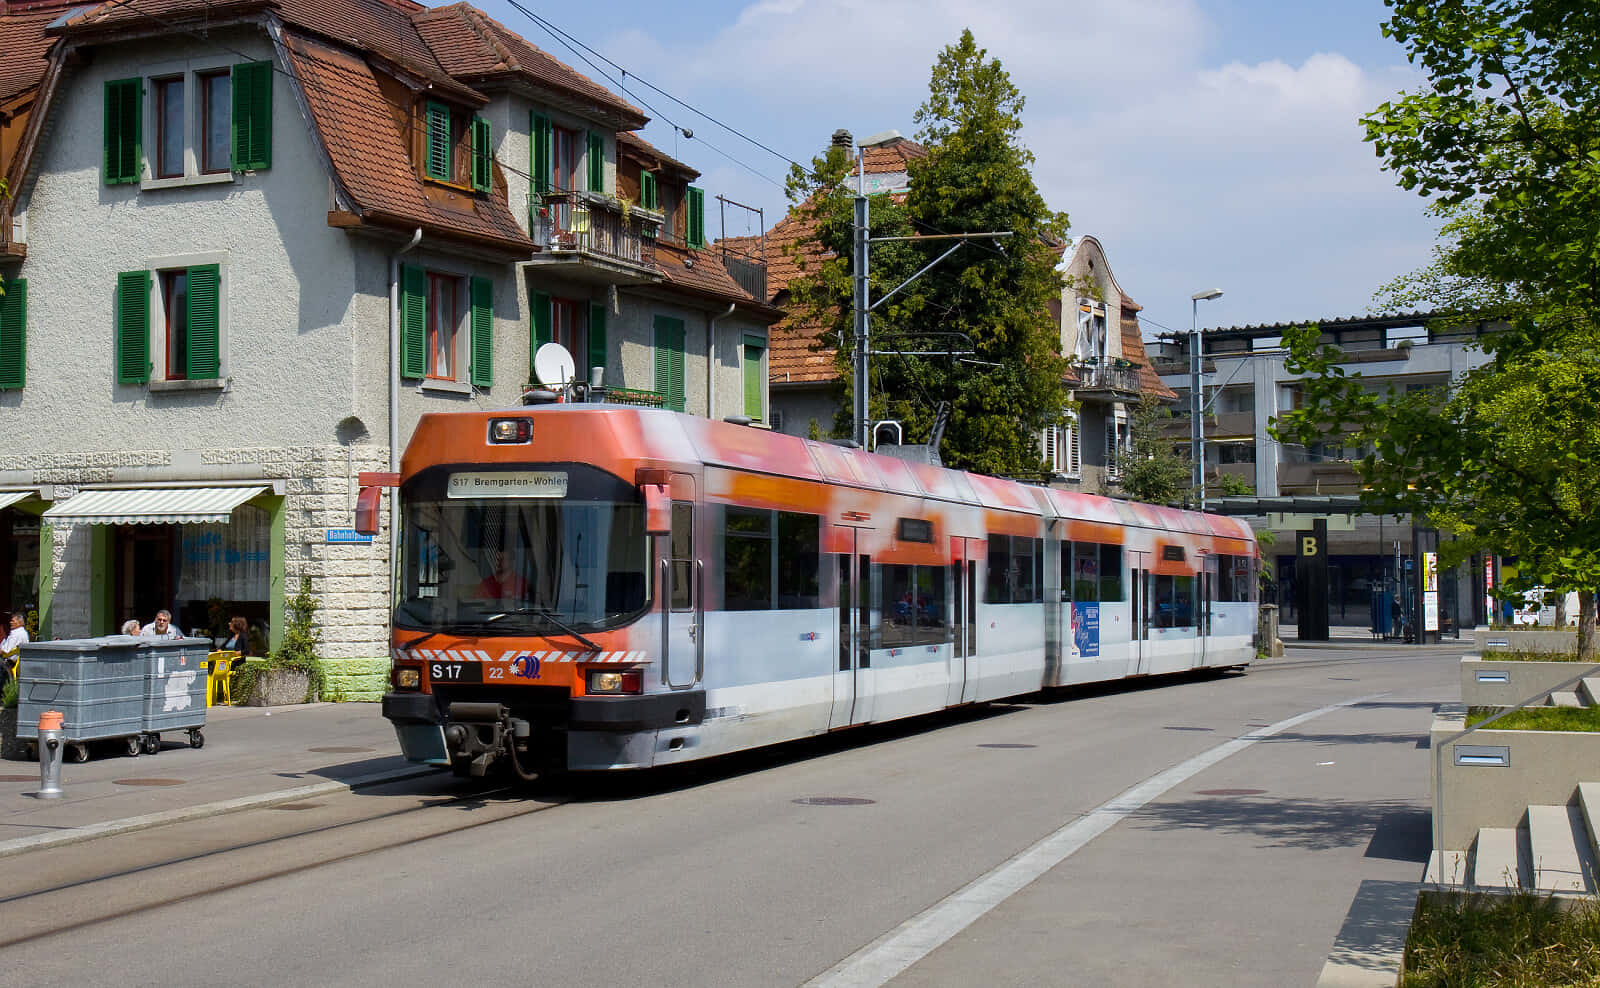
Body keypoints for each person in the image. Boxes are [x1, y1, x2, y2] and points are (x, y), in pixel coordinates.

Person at [2, 611, 29, 686]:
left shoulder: (16, 634)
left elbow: (5, 651)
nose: (10, 622)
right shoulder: (24, 632)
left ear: (19, 622)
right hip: (17, 660)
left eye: (12, 621)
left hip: (9, 661)